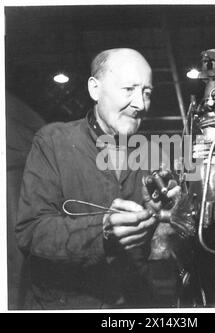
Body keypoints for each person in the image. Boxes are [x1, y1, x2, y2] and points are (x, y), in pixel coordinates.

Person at [15, 48, 168, 309]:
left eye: (147, 92)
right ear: (95, 89)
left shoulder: (155, 154)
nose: (140, 104)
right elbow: (31, 232)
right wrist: (103, 231)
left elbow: (166, 241)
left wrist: (166, 216)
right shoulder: (53, 141)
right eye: (129, 89)